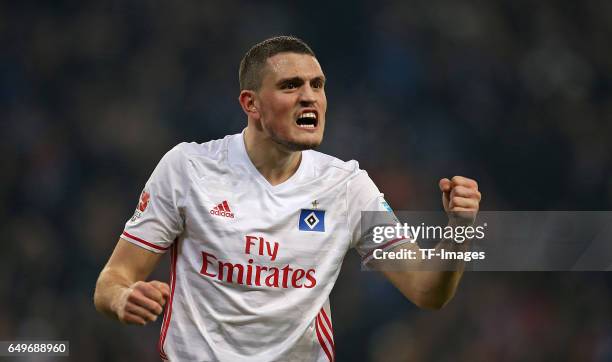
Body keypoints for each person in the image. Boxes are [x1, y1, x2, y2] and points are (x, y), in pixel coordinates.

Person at [93, 36, 481, 362]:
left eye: (318, 85)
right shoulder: (187, 168)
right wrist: (124, 297)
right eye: (291, 85)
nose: (310, 97)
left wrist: (459, 231)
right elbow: (111, 282)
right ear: (251, 104)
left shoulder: (347, 185)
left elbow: (428, 290)